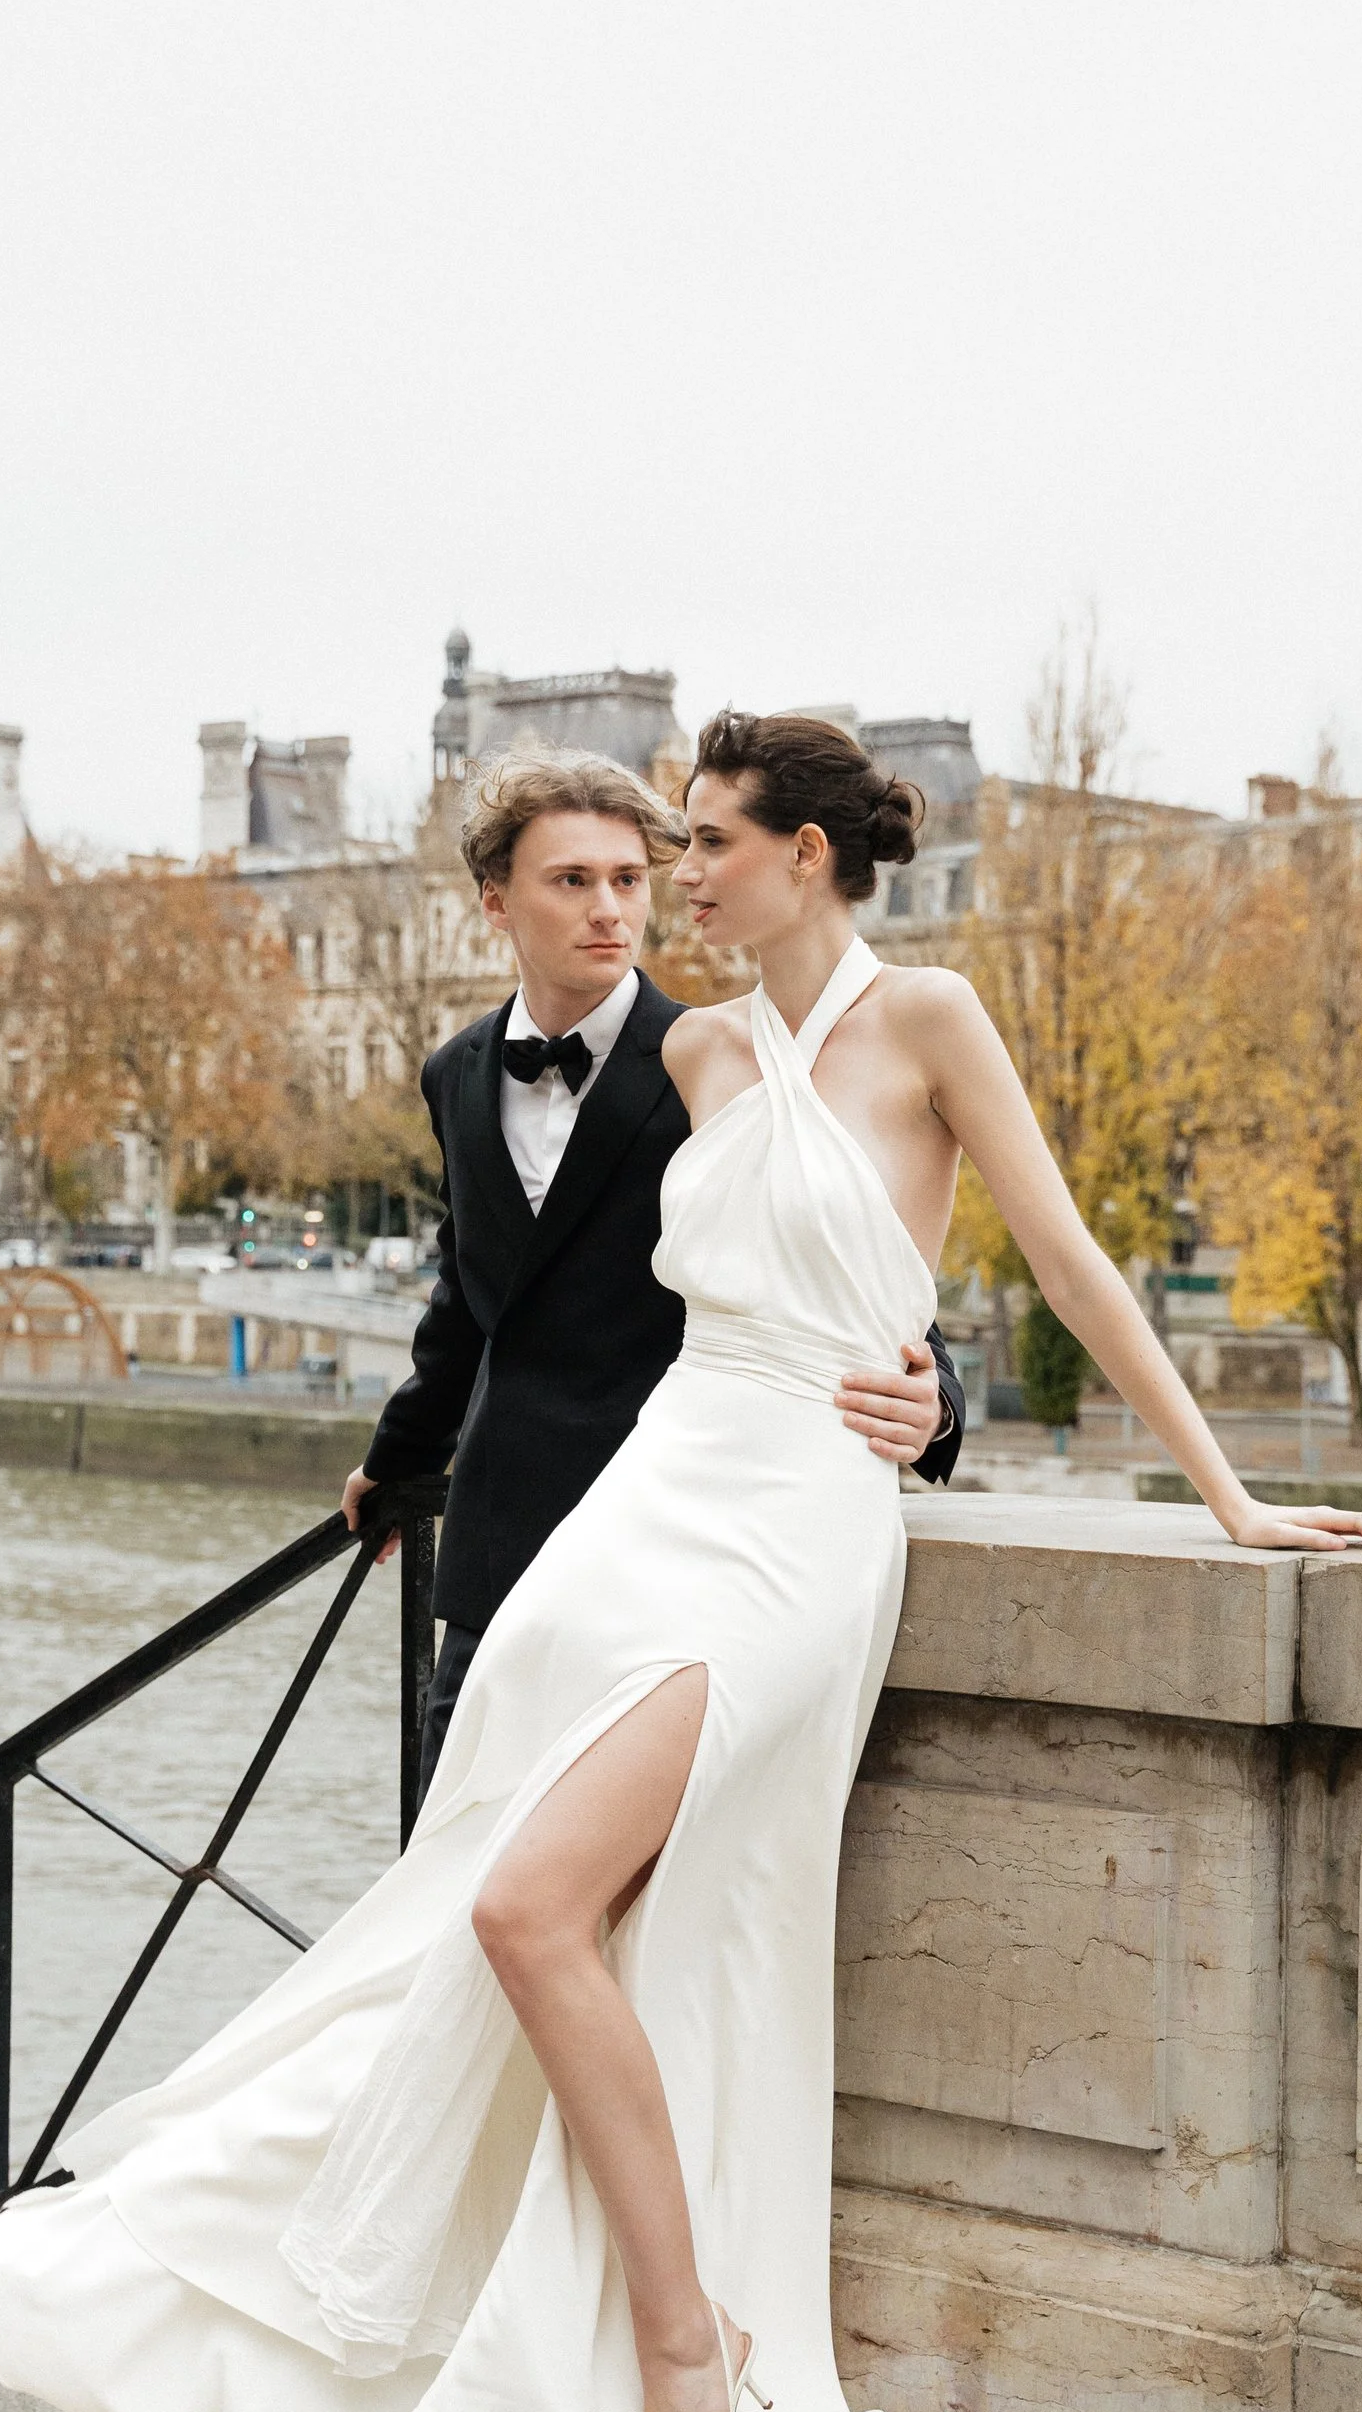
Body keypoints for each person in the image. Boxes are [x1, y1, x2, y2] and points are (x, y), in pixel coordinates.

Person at [0, 711, 1362, 2412]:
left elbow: (1057, 1259)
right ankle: (601, 2343)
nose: (671, 877)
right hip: (633, 1512)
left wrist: (1217, 1495)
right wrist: (405, 1473)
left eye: (704, 844)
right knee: (486, 1898)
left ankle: (684, 2373)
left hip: (796, 1520)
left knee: (527, 1909)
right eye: (642, 855)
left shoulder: (934, 1020)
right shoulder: (706, 1054)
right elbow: (515, 1310)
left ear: (805, 857)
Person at [344, 748, 963, 1800]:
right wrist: (394, 1460)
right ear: (495, 900)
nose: (609, 910)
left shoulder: (715, 1056)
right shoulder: (454, 1069)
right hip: (497, 1553)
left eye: (627, 880)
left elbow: (831, 1254)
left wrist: (933, 1397)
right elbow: (468, 1295)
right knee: (438, 1884)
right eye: (571, 881)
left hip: (665, 1546)